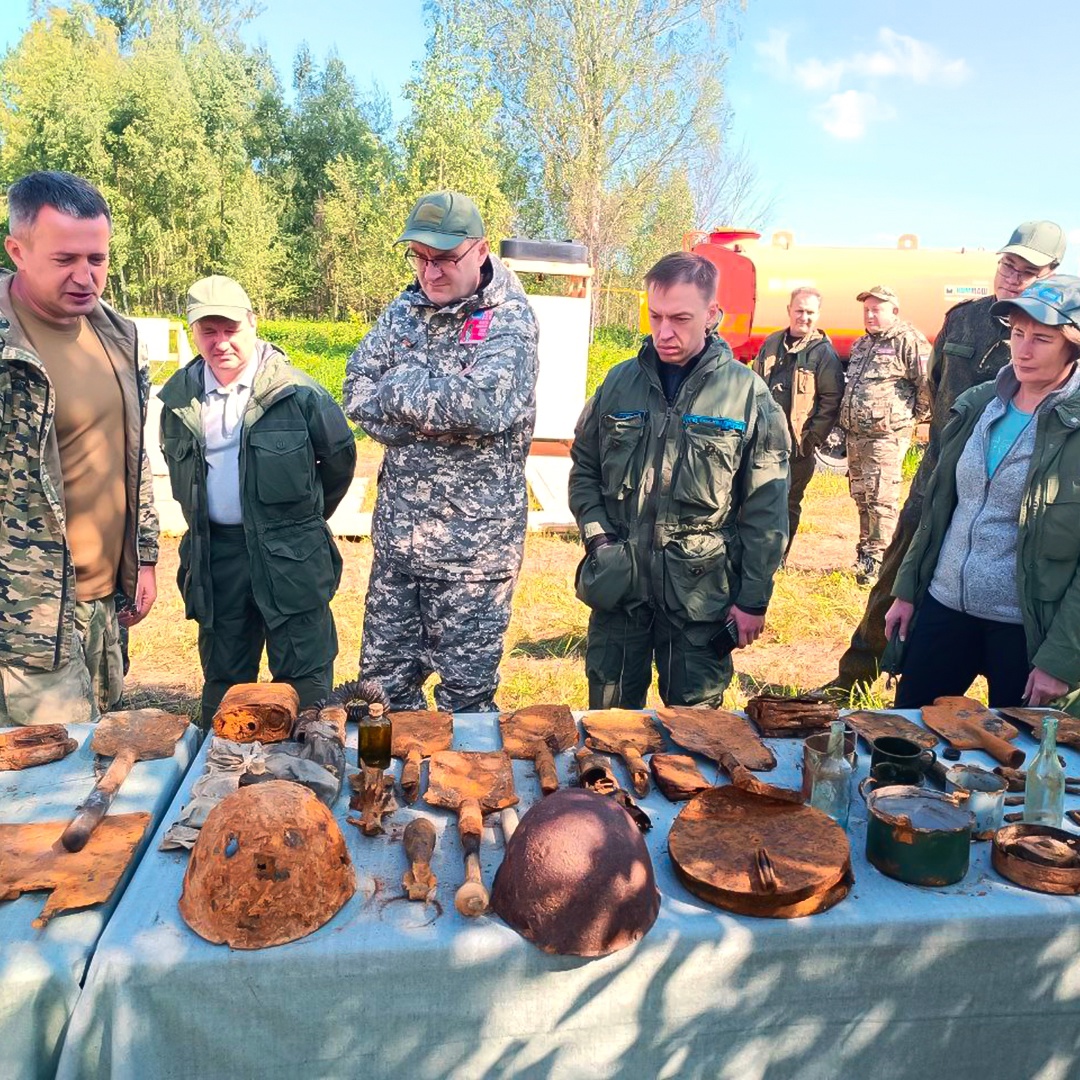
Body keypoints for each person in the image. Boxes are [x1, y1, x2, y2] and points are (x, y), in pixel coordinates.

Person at [830, 221, 1066, 690]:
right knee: (896, 577)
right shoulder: (964, 320)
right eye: (1008, 265)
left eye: (1027, 271)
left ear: (1050, 275)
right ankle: (855, 676)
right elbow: (934, 388)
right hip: (939, 480)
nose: (1013, 277)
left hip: (1010, 493)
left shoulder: (1055, 334)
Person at [343, 191, 539, 712]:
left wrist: (399, 385)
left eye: (445, 259)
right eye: (420, 258)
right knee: (380, 700)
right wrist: (437, 412)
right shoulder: (403, 311)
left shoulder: (510, 320)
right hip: (399, 548)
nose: (430, 272)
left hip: (473, 558)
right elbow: (356, 389)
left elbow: (485, 406)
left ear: (480, 250)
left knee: (466, 709)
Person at [568, 252, 789, 709]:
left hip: (699, 597)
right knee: (608, 724)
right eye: (656, 316)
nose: (664, 332)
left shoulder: (746, 394)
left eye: (680, 318)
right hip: (620, 588)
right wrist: (598, 538)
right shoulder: (619, 383)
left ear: (711, 315)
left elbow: (766, 510)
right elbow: (584, 467)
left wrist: (753, 599)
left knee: (696, 729)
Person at [159, 276, 356, 722]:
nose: (220, 342)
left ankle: (305, 761)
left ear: (252, 323)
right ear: (193, 332)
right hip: (217, 558)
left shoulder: (298, 393)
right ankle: (223, 765)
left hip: (291, 557)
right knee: (225, 686)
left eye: (230, 329)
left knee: (305, 687)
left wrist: (298, 523)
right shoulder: (179, 399)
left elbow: (339, 461)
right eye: (208, 331)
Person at [0, 171, 158, 725]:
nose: (85, 277)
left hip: (101, 607)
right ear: (17, 251)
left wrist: (144, 557)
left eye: (97, 258)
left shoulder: (117, 336)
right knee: (49, 769)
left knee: (99, 750)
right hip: (25, 618)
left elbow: (132, 457)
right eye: (65, 259)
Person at [885, 275, 1080, 712]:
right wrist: (908, 590)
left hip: (1025, 628)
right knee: (907, 733)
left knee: (1016, 749)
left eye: (1042, 339)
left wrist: (1062, 657)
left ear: (1073, 347)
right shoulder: (979, 405)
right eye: (1017, 334)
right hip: (945, 606)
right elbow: (941, 510)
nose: (1023, 350)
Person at [838, 285, 930, 585]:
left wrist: (910, 418)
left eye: (876, 310)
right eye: (866, 310)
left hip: (886, 437)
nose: (869, 315)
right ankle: (865, 553)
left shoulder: (908, 341)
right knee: (862, 496)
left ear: (894, 311)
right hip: (856, 436)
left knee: (881, 498)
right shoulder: (862, 344)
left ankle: (878, 563)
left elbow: (927, 385)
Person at [752, 287, 843, 553]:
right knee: (758, 499)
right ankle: (758, 554)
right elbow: (754, 384)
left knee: (788, 503)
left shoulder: (823, 353)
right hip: (764, 440)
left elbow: (831, 400)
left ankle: (780, 556)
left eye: (810, 312)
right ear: (789, 311)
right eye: (799, 310)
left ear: (818, 314)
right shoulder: (771, 343)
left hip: (797, 445)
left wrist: (812, 438)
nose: (804, 317)